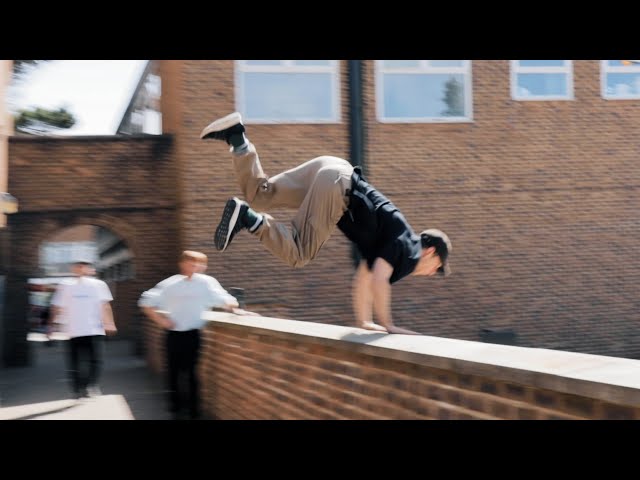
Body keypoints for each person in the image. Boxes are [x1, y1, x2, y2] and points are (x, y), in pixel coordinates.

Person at [200, 112, 452, 335]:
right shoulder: (408, 250)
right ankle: (247, 218)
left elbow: (365, 278)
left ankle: (237, 139)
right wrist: (388, 325)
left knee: (261, 196)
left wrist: (365, 322)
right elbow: (379, 280)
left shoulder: (392, 239)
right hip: (338, 187)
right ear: (430, 251)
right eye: (436, 267)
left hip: (333, 168)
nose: (431, 274)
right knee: (299, 253)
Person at [139, 250, 257, 420]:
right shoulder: (170, 284)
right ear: (182, 264)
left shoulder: (207, 283)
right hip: (172, 334)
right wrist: (161, 321)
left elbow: (224, 299)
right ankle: (175, 408)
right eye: (191, 263)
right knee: (173, 372)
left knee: (192, 373)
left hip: (194, 334)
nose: (196, 267)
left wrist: (236, 308)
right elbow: (145, 302)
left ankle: (194, 411)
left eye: (200, 264)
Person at [50, 258, 116, 399]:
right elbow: (57, 306)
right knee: (74, 362)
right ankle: (76, 389)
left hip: (94, 329)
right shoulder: (65, 285)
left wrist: (109, 323)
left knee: (96, 360)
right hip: (72, 330)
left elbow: (105, 305)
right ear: (73, 269)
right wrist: (51, 325)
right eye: (77, 266)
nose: (80, 269)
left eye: (83, 266)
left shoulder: (99, 284)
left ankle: (90, 385)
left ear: (90, 269)